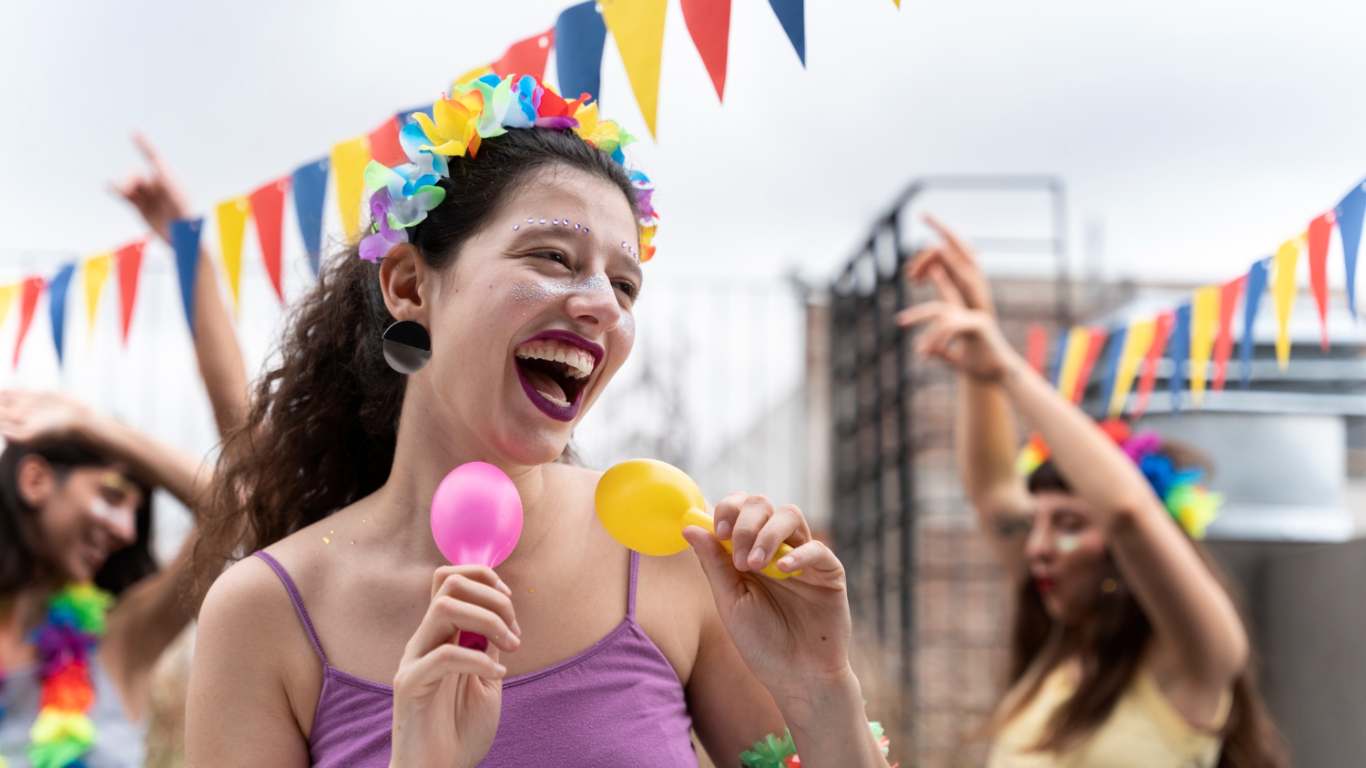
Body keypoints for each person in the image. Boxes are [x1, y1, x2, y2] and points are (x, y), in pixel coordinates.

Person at [186, 74, 892, 768]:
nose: (603, 307)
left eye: (623, 284)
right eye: (553, 257)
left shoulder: (672, 550)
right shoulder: (264, 614)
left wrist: (820, 691)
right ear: (408, 285)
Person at [897, 217, 1286, 767]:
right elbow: (992, 493)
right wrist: (977, 353)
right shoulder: (1060, 656)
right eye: (1036, 522)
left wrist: (1008, 368)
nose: (1037, 546)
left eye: (1071, 524)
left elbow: (1127, 512)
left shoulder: (1195, 658)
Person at [0, 135, 247, 768]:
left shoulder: (123, 640)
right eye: (110, 495)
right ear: (34, 481)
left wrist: (96, 427)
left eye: (133, 510)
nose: (121, 527)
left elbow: (240, 491)